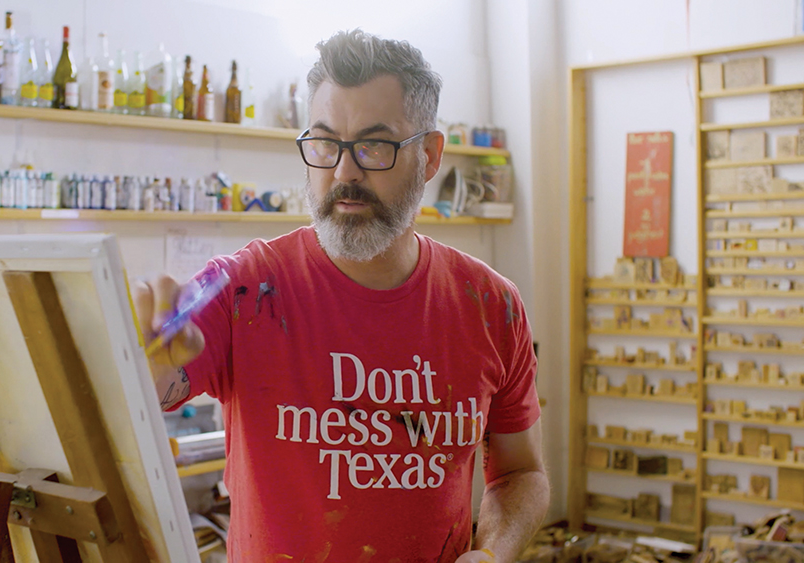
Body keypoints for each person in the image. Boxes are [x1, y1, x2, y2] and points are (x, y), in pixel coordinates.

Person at [135, 29, 549, 563]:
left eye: (374, 146)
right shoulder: (244, 290)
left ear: (428, 156)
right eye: (326, 143)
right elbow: (148, 388)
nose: (344, 171)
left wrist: (491, 554)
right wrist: (139, 360)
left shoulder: (491, 307)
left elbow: (521, 472)